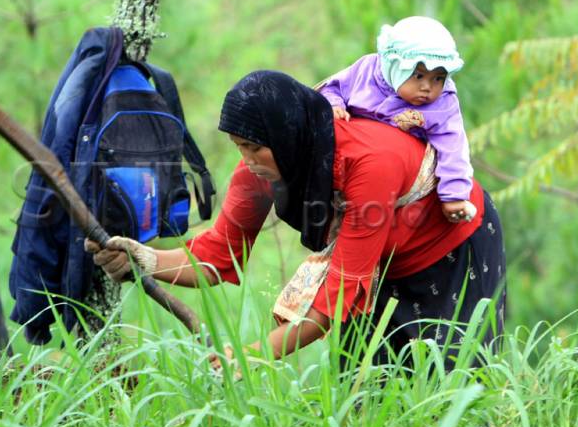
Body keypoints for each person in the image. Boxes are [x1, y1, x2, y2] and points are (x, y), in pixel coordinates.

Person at [84, 70, 505, 370]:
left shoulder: (368, 163)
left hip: (451, 247)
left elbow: (336, 299)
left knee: (452, 380)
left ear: (288, 135)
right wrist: (145, 259)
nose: (247, 160)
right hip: (377, 260)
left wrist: (248, 357)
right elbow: (220, 255)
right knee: (366, 385)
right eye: (238, 146)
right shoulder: (259, 168)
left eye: (254, 146)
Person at [317, 16, 476, 224]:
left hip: (400, 187)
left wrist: (454, 194)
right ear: (394, 66)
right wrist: (334, 104)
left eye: (438, 78)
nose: (427, 87)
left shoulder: (442, 103)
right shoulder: (366, 72)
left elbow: (453, 146)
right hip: (349, 167)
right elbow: (332, 87)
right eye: (418, 76)